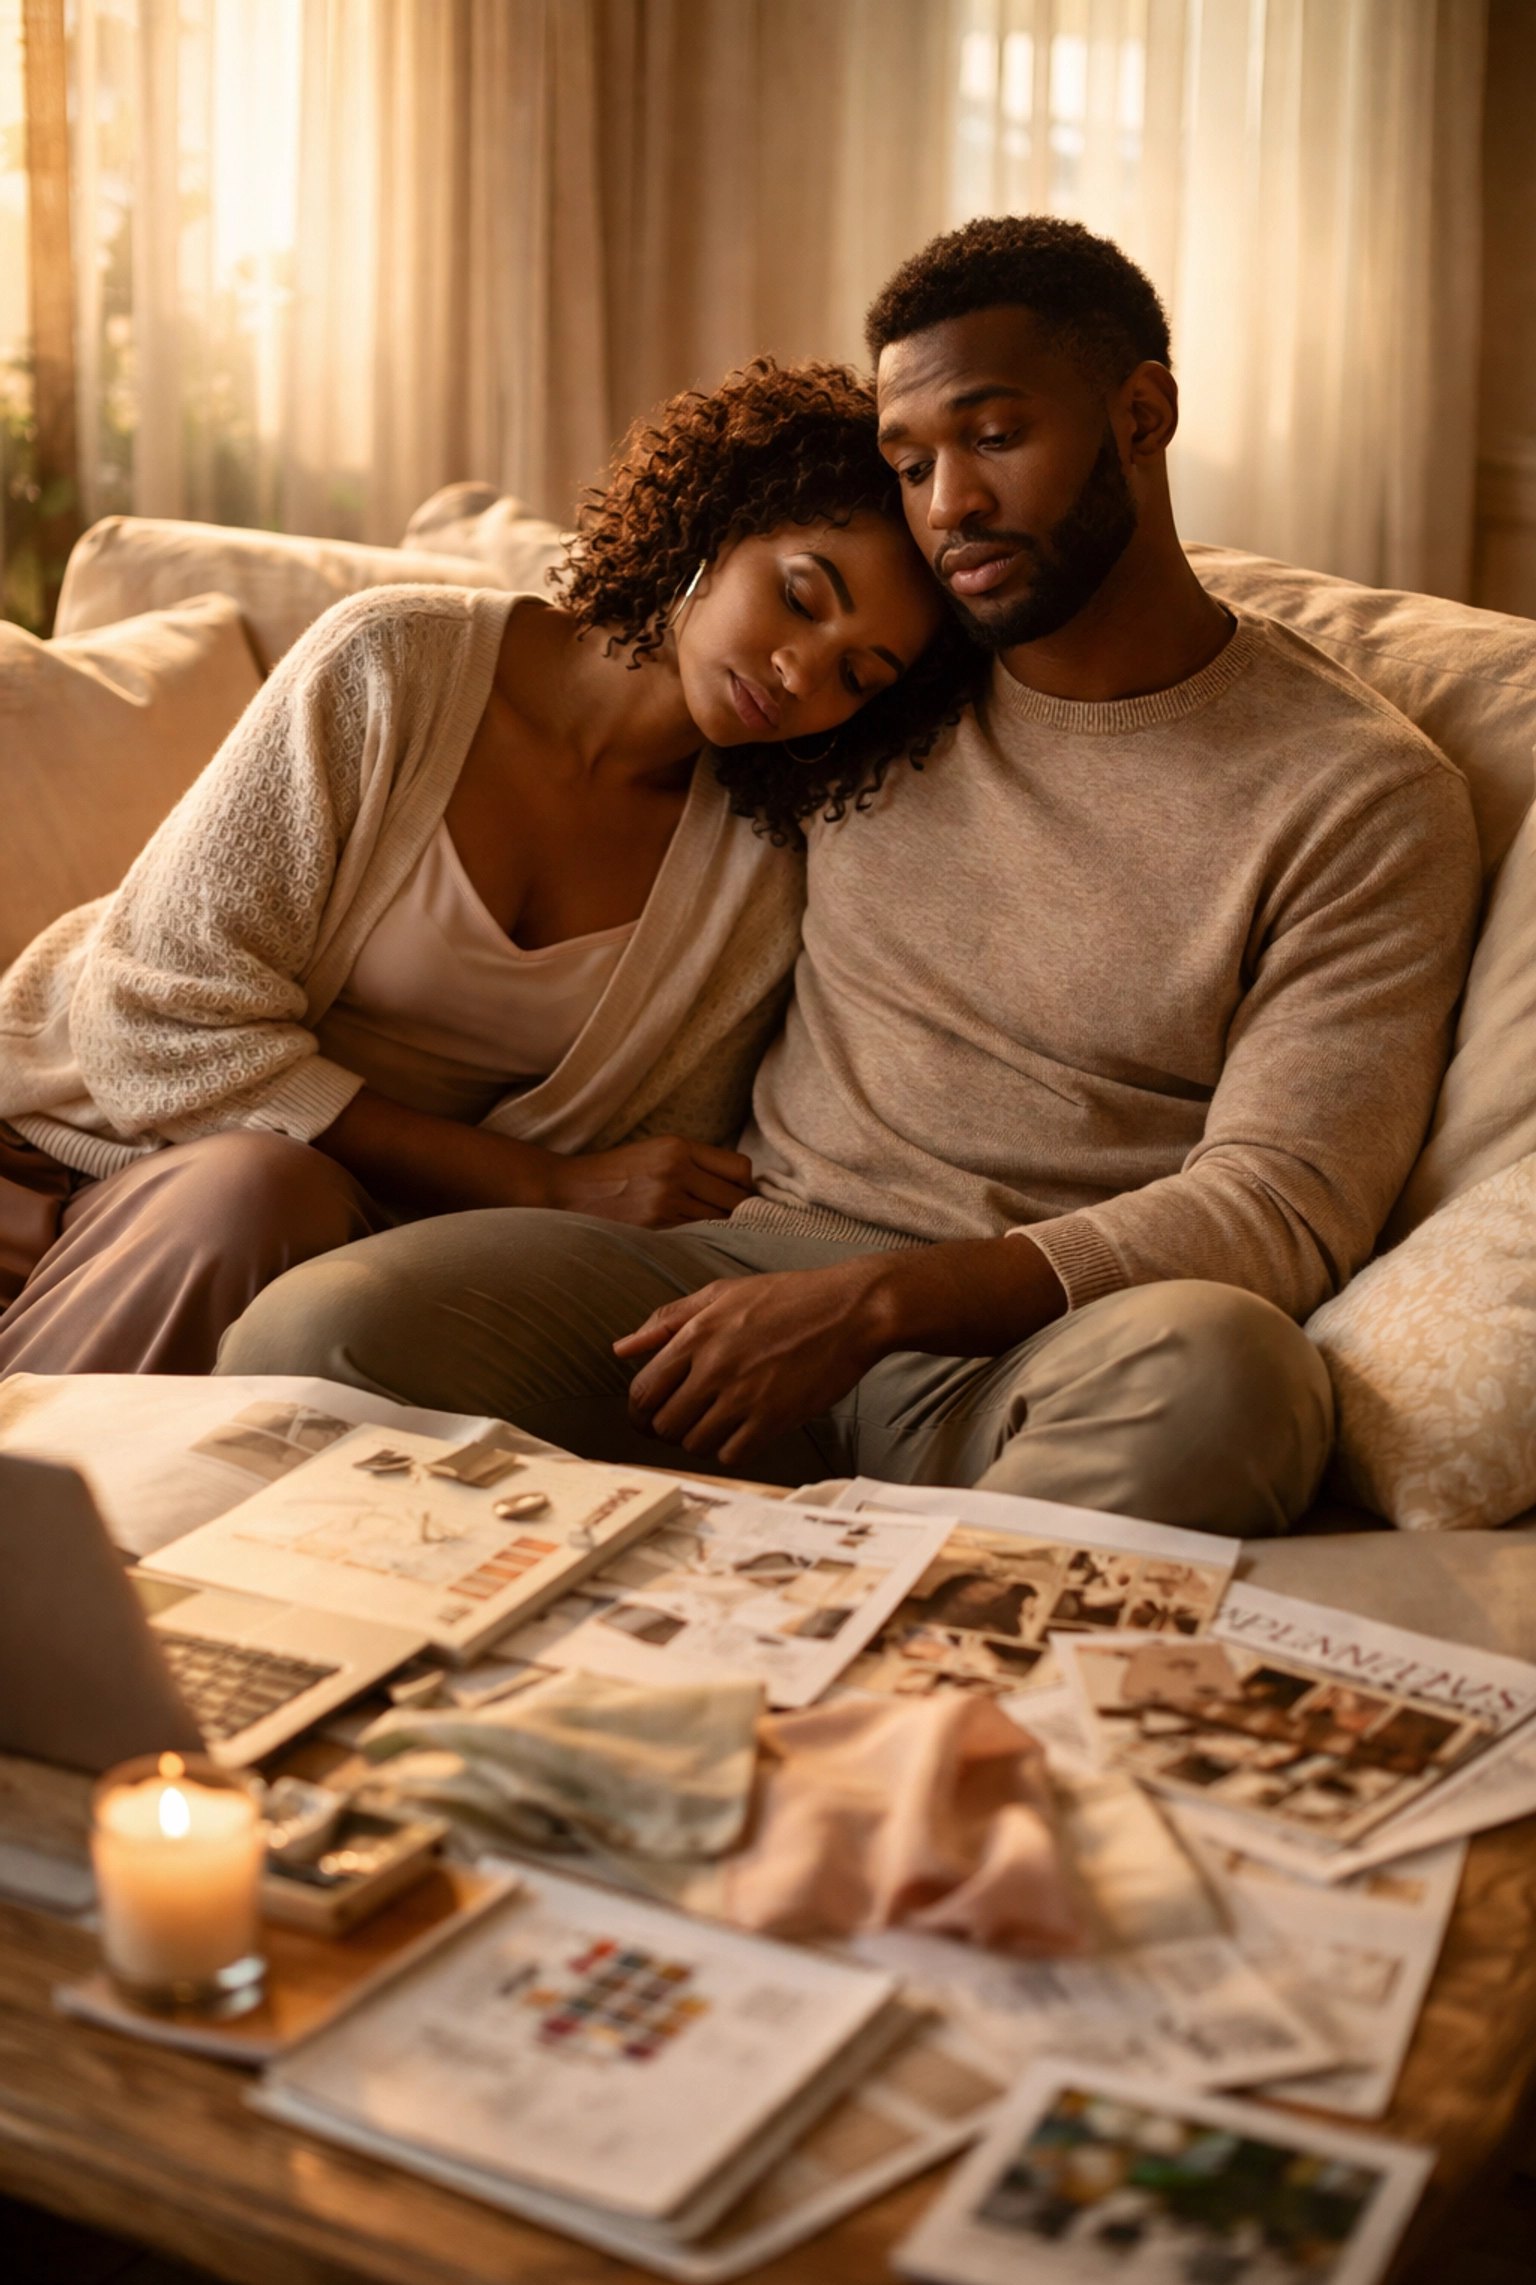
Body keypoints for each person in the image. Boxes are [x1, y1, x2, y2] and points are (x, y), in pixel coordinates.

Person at [220, 217, 1482, 1538]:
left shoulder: (1361, 796)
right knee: (321, 1332)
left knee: (1234, 1374)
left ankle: (887, 1700)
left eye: (995, 438)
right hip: (727, 1278)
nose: (950, 508)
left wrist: (885, 1302)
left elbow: (1283, 1207)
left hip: (1048, 1342)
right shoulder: (865, 694)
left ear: (1142, 415)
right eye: (911, 461)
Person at [0, 360, 975, 1374]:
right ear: (721, 521)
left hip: (344, 1254)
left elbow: (640, 1176)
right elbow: (154, 1020)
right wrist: (537, 1183)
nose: (803, 671)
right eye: (802, 597)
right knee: (261, 1191)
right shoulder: (392, 663)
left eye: (859, 674)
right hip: (71, 1147)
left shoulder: (761, 871)